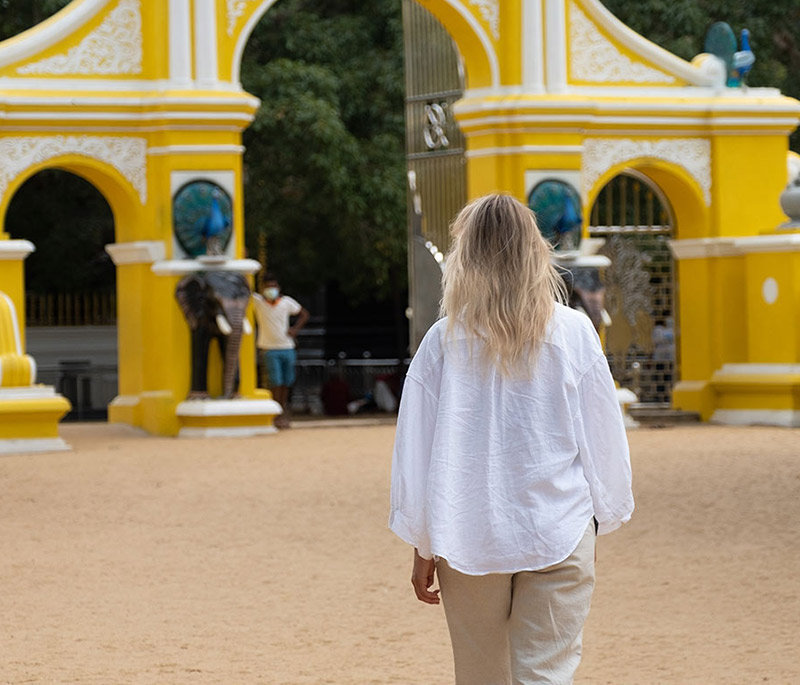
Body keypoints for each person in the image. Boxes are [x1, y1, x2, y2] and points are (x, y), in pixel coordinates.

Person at [389, 194, 634, 685]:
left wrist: (422, 542)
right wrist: (604, 514)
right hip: (559, 526)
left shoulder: (441, 342)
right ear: (536, 252)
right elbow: (604, 436)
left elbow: (414, 452)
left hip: (466, 533)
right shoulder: (574, 333)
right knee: (545, 675)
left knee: (480, 676)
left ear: (465, 258)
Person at [252, 274, 309, 428]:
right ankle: (276, 412)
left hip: (287, 347)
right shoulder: (257, 302)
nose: (272, 290)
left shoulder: (286, 302)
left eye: (274, 286)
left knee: (287, 381)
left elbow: (304, 314)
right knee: (276, 381)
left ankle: (282, 409)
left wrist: (295, 329)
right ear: (263, 288)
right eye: (268, 286)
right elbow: (245, 290)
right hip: (269, 348)